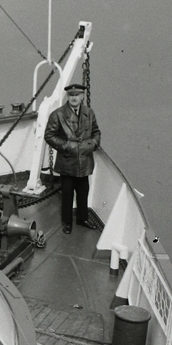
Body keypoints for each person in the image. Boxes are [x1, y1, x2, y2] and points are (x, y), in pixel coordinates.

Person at [44, 81, 101, 234]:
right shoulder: (58, 114)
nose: (74, 98)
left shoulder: (89, 113)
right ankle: (67, 222)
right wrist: (67, 146)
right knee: (67, 194)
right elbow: (49, 136)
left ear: (82, 96)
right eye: (71, 95)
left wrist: (93, 143)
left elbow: (96, 131)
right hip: (67, 161)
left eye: (77, 95)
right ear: (68, 97)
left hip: (85, 160)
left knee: (83, 192)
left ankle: (82, 218)